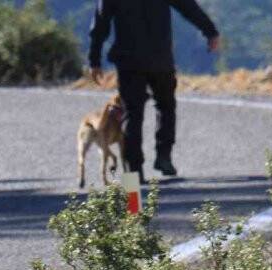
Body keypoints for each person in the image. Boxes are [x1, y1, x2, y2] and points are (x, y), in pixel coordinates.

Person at [89, 0, 220, 180]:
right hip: (160, 58)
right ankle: (164, 156)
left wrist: (94, 59)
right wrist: (210, 31)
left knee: (132, 114)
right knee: (166, 106)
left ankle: (133, 171)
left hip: (129, 61)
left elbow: (101, 21)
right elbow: (188, 7)